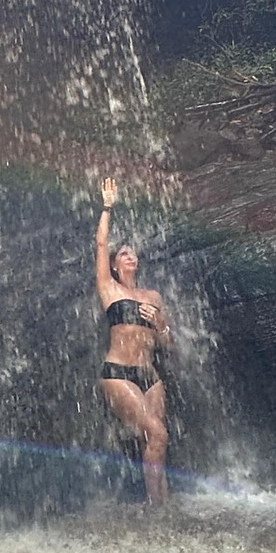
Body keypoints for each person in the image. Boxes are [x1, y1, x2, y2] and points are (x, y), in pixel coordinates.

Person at [95, 176, 171, 503]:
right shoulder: (109, 289)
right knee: (158, 433)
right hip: (118, 372)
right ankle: (158, 510)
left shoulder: (152, 295)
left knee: (155, 441)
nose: (130, 256)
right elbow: (100, 244)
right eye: (123, 253)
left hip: (150, 376)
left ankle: (162, 501)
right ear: (114, 263)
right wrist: (107, 207)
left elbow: (168, 342)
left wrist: (161, 325)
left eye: (133, 253)